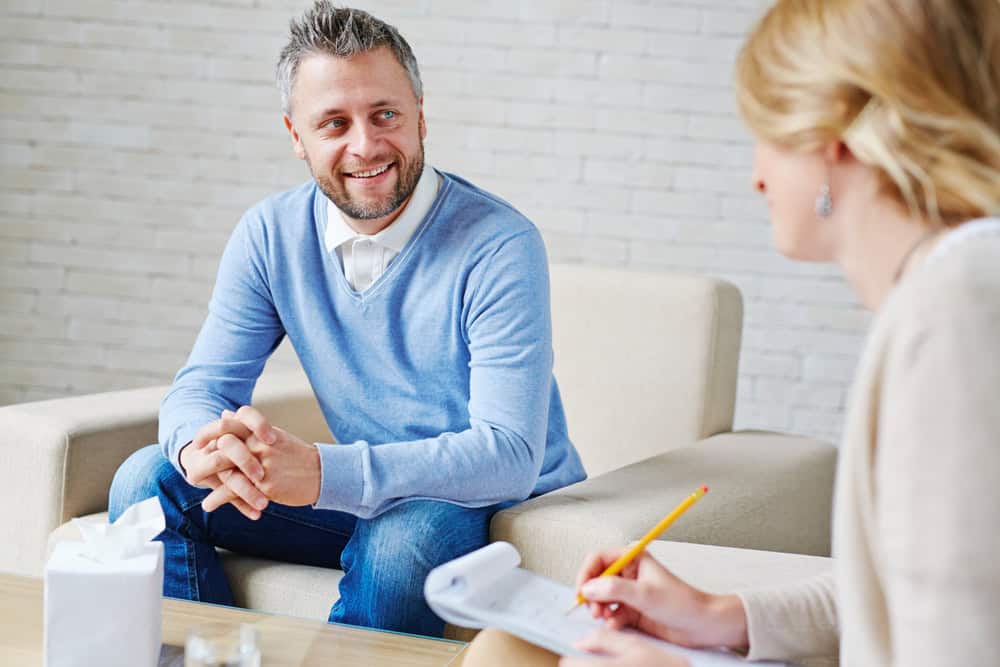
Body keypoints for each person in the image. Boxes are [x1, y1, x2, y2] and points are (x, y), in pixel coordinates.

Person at [462, 0, 1000, 664]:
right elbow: (894, 588)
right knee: (508, 645)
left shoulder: (958, 315)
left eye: (766, 134)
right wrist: (717, 616)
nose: (756, 175)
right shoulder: (943, 293)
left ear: (832, 133)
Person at [108, 1, 585, 638]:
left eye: (384, 114)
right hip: (363, 492)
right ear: (296, 136)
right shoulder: (270, 234)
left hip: (482, 498)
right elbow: (201, 387)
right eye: (333, 123)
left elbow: (508, 452)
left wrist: (324, 473)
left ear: (420, 113)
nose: (365, 145)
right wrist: (204, 444)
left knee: (401, 541)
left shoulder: (500, 244)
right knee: (148, 480)